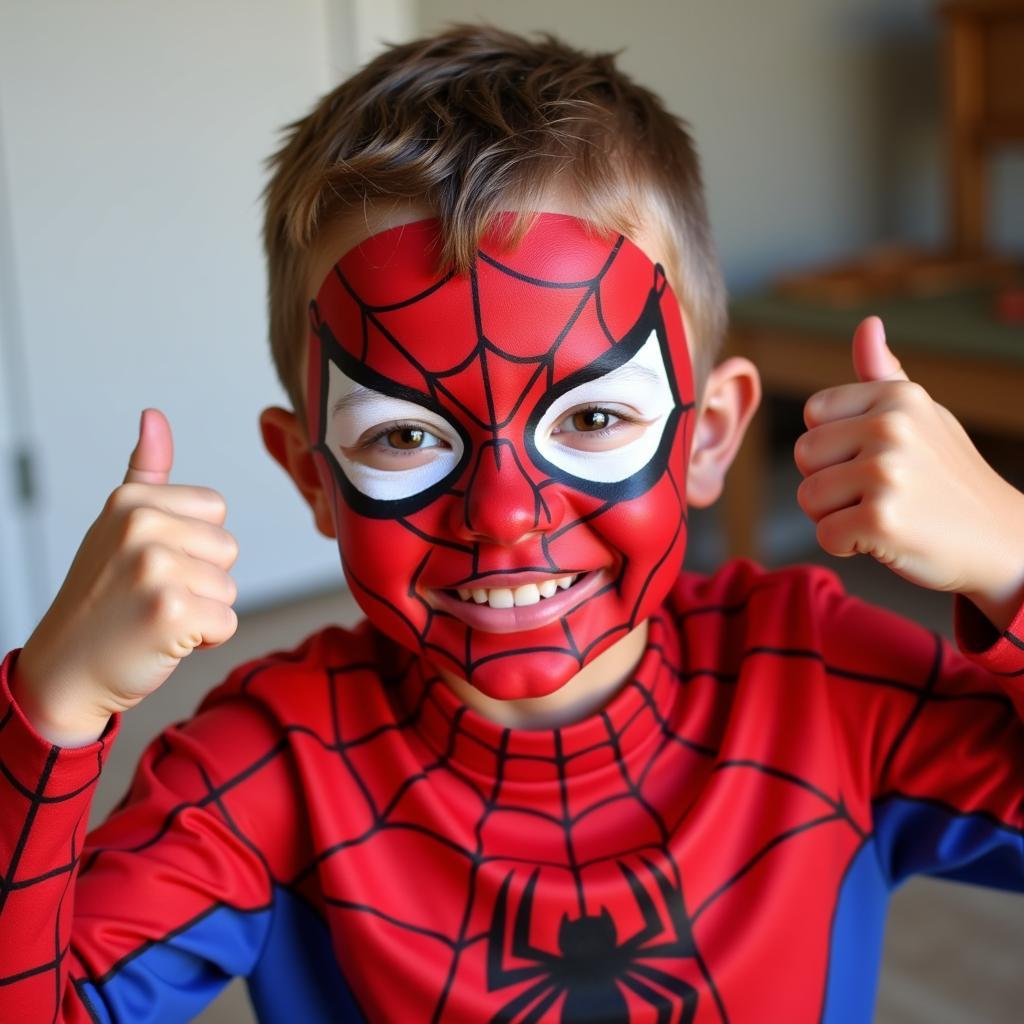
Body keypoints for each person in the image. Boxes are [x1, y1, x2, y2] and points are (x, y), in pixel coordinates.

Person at [1, 23, 1021, 1024]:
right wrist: (51, 705)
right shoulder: (265, 771)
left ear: (707, 435)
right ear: (312, 476)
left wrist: (1013, 555)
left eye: (591, 418)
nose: (503, 518)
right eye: (403, 438)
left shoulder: (822, 684)